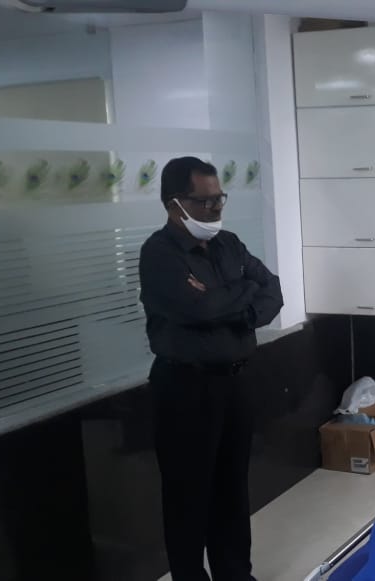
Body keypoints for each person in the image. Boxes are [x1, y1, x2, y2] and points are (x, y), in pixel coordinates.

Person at [139, 156, 283, 581]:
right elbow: (199, 309)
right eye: (203, 202)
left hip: (235, 381)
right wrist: (242, 292)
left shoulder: (229, 244)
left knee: (231, 488)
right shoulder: (159, 254)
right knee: (188, 494)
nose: (215, 208)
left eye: (219, 198)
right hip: (185, 387)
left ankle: (235, 574)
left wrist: (230, 298)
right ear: (174, 204)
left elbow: (272, 291)